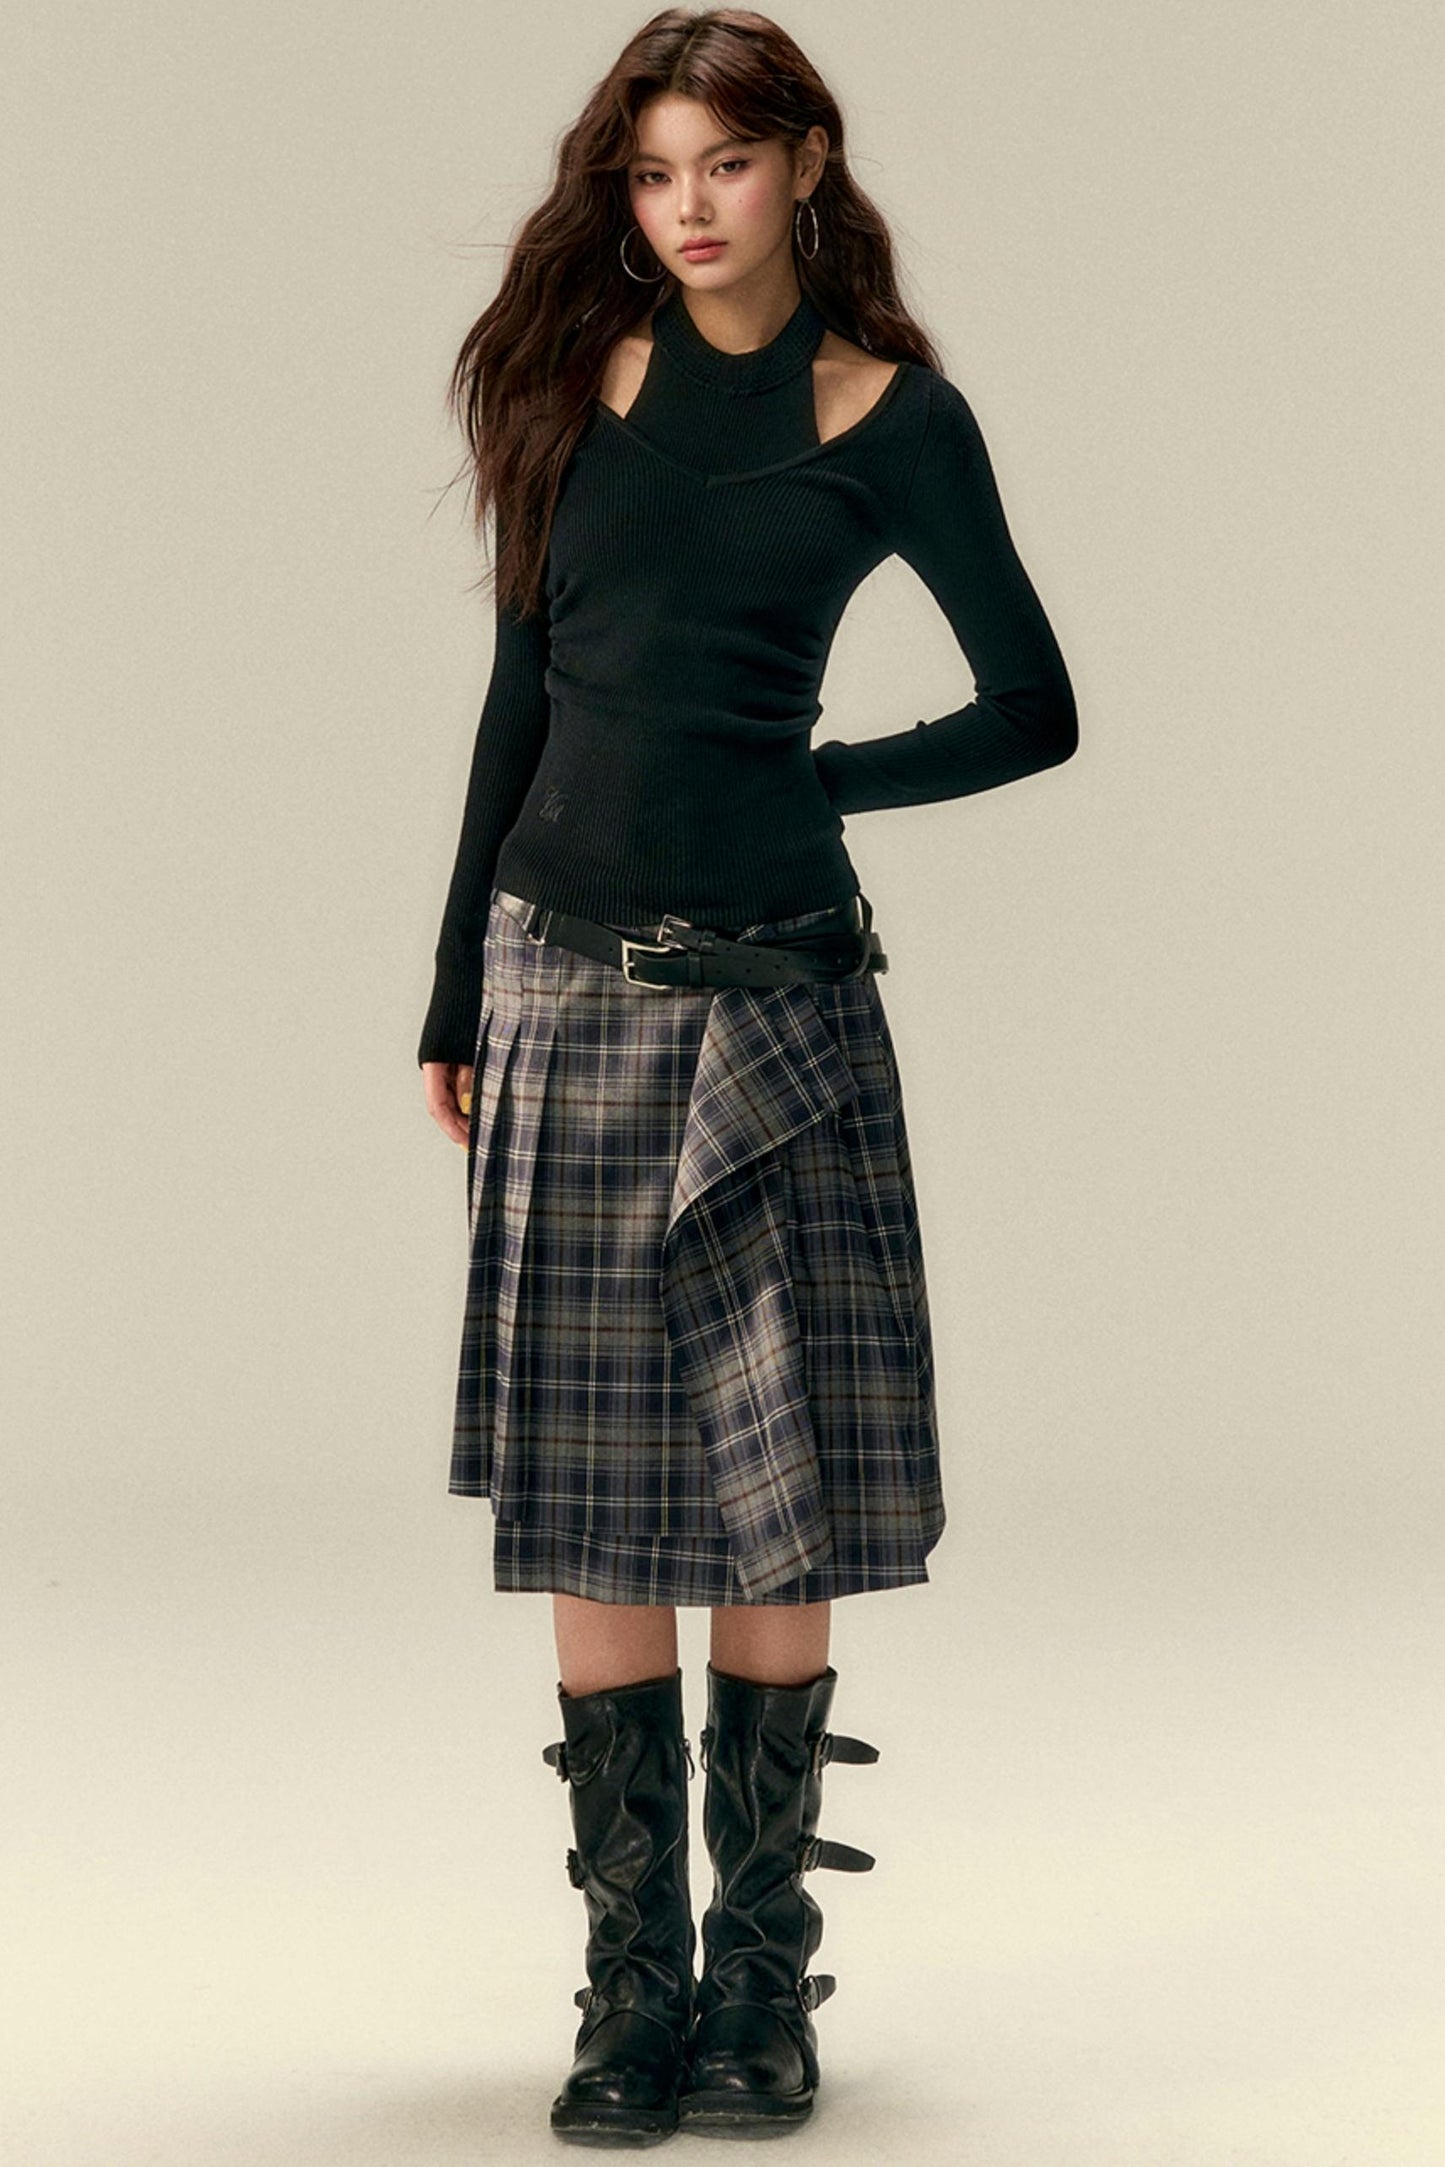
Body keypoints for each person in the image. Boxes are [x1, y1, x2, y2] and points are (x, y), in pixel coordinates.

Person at [417, 7, 1077, 2144]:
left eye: (722, 162)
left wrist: (822, 778)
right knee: (595, 1487)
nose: (686, 206)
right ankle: (631, 1992)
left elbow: (1037, 704)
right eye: (652, 171)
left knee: (772, 1482)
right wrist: (451, 992)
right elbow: (519, 702)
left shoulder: (893, 417)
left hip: (784, 1000)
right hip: (560, 979)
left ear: (803, 162)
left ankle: (762, 1987)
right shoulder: (569, 383)